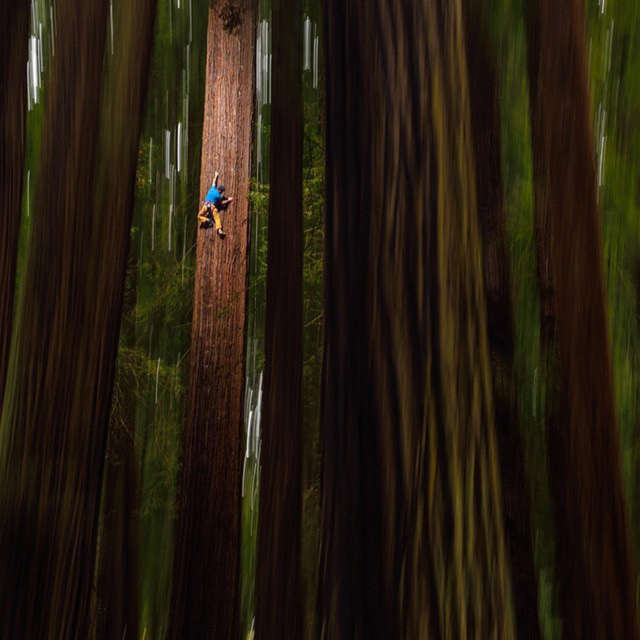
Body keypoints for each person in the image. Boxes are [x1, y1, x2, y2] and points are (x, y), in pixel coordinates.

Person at [198, 171, 233, 238]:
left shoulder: (212, 188)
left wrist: (216, 175)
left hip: (205, 206)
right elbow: (222, 202)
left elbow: (214, 182)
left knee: (199, 216)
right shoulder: (218, 196)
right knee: (217, 218)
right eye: (222, 192)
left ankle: (207, 220)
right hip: (212, 208)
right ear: (221, 191)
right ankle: (219, 229)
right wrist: (229, 200)